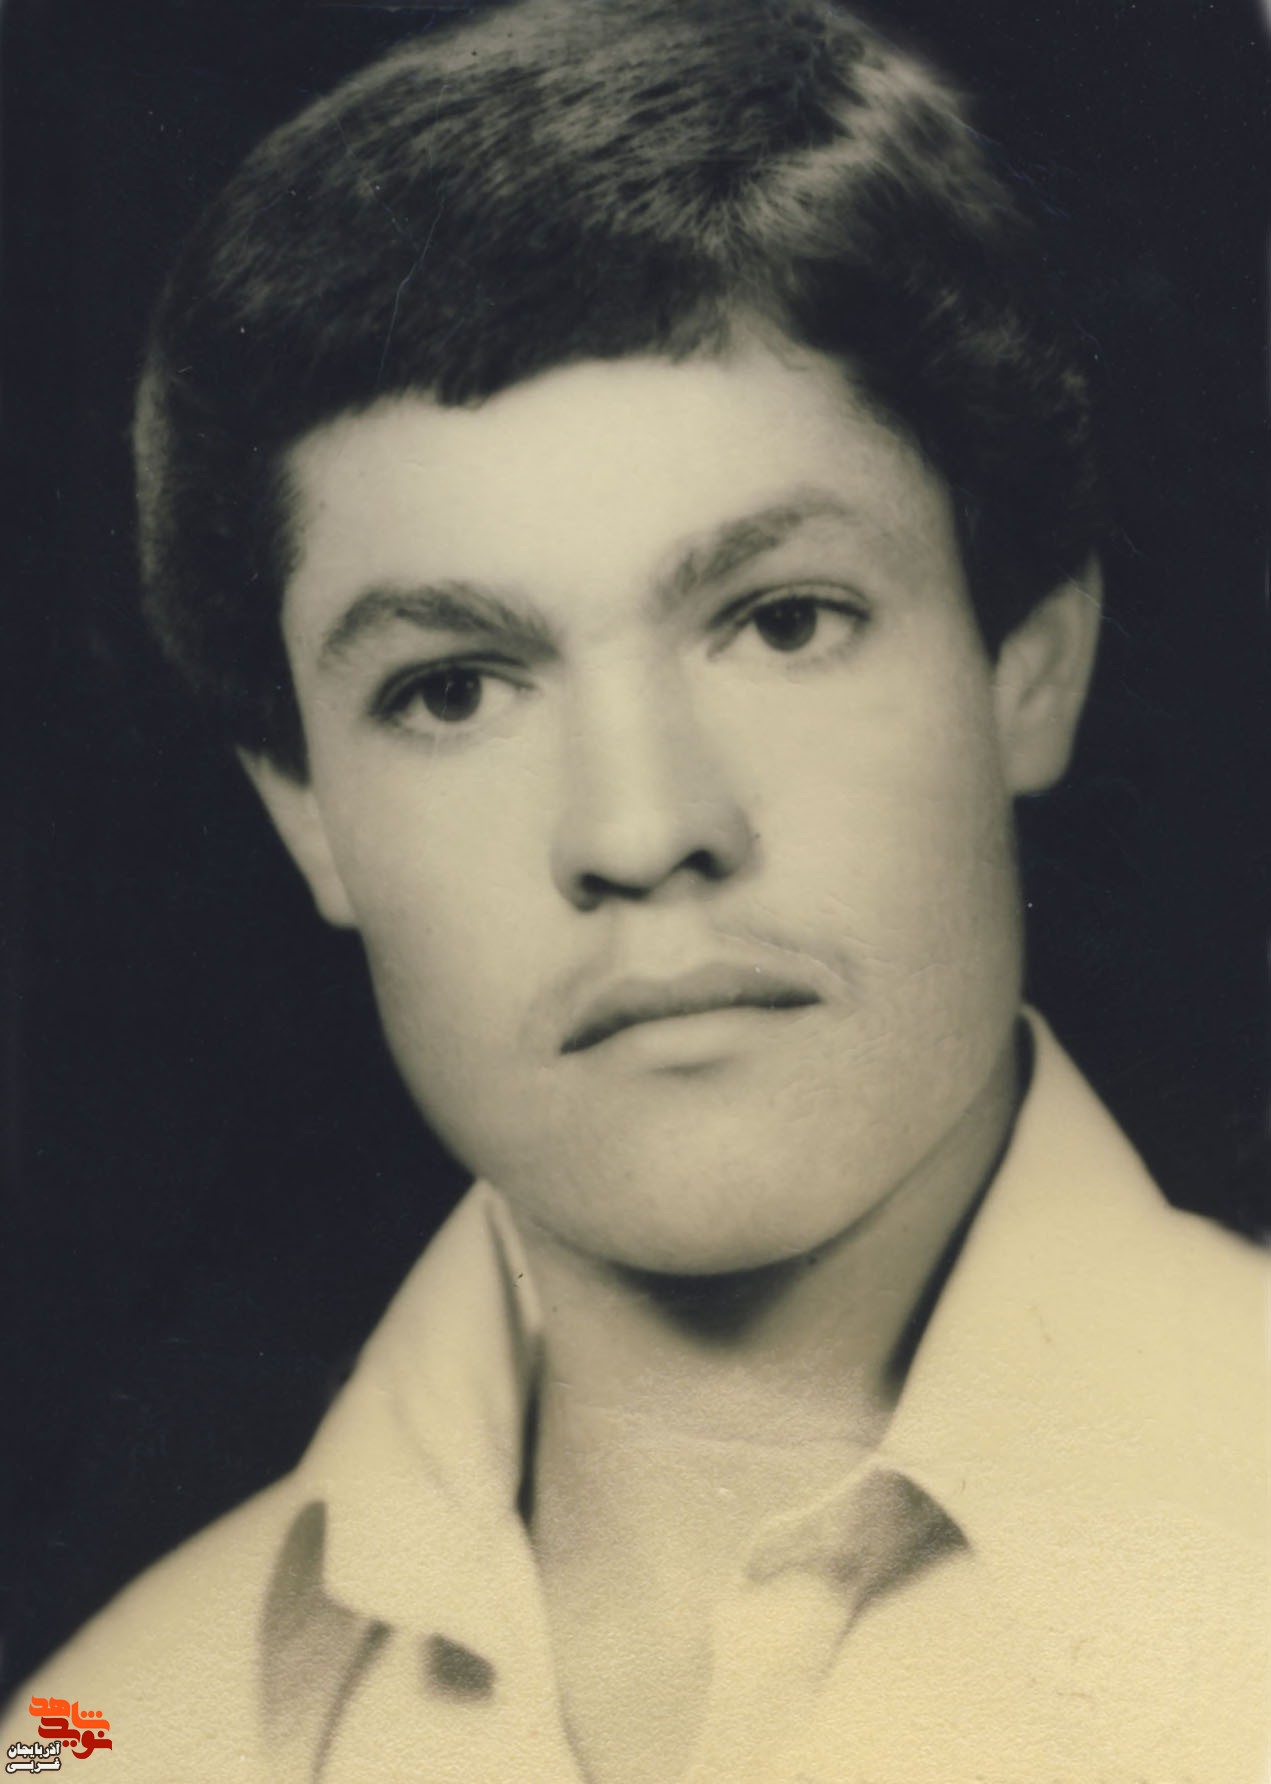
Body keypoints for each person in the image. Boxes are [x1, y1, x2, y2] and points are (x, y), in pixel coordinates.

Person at [8, 1, 1267, 1779]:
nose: (641, 826)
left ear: (1028, 667)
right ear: (308, 818)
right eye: (452, 689)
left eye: (783, 621)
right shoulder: (107, 1735)